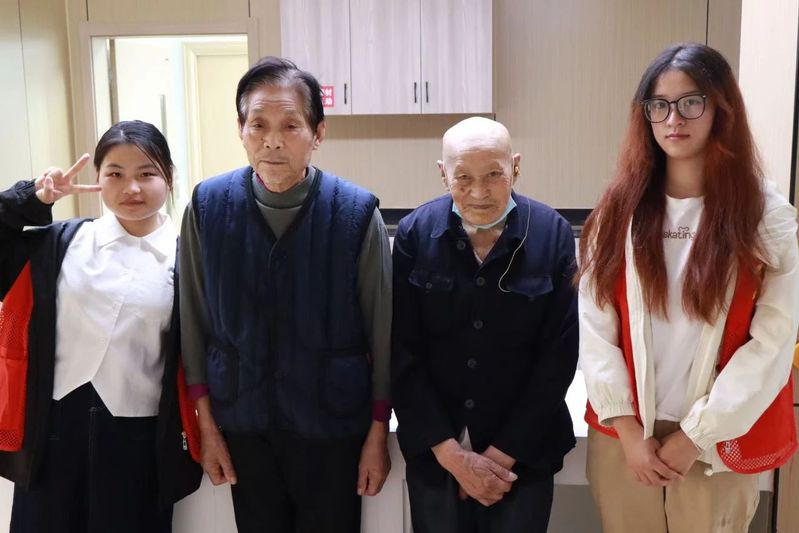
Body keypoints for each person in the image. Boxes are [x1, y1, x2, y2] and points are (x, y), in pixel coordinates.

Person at [577, 42, 799, 533]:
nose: (673, 119)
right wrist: (628, 430)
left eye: (691, 102)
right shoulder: (618, 210)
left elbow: (773, 343)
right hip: (626, 437)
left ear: (722, 108)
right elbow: (594, 327)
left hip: (715, 440)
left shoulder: (766, 217)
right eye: (659, 105)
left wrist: (697, 435)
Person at [179, 56, 391, 533]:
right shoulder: (207, 207)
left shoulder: (356, 213)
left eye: (291, 125)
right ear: (240, 129)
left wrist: (378, 431)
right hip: (243, 427)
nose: (273, 140)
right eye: (258, 124)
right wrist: (206, 427)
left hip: (332, 428)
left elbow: (382, 331)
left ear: (317, 133)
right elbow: (193, 322)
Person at [0, 120, 202, 533]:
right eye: (115, 174)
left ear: (169, 177)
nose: (132, 188)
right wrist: (32, 198)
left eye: (147, 173)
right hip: (52, 434)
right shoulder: (60, 242)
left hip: (139, 441)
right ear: (97, 178)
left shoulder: (188, 260)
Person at [392, 116, 578, 533]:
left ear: (516, 166)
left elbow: (559, 356)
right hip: (438, 453)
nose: (479, 192)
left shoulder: (551, 234)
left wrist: (498, 459)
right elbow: (400, 350)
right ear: (443, 174)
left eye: (494, 174)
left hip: (522, 455)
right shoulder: (414, 234)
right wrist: (453, 457)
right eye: (463, 178)